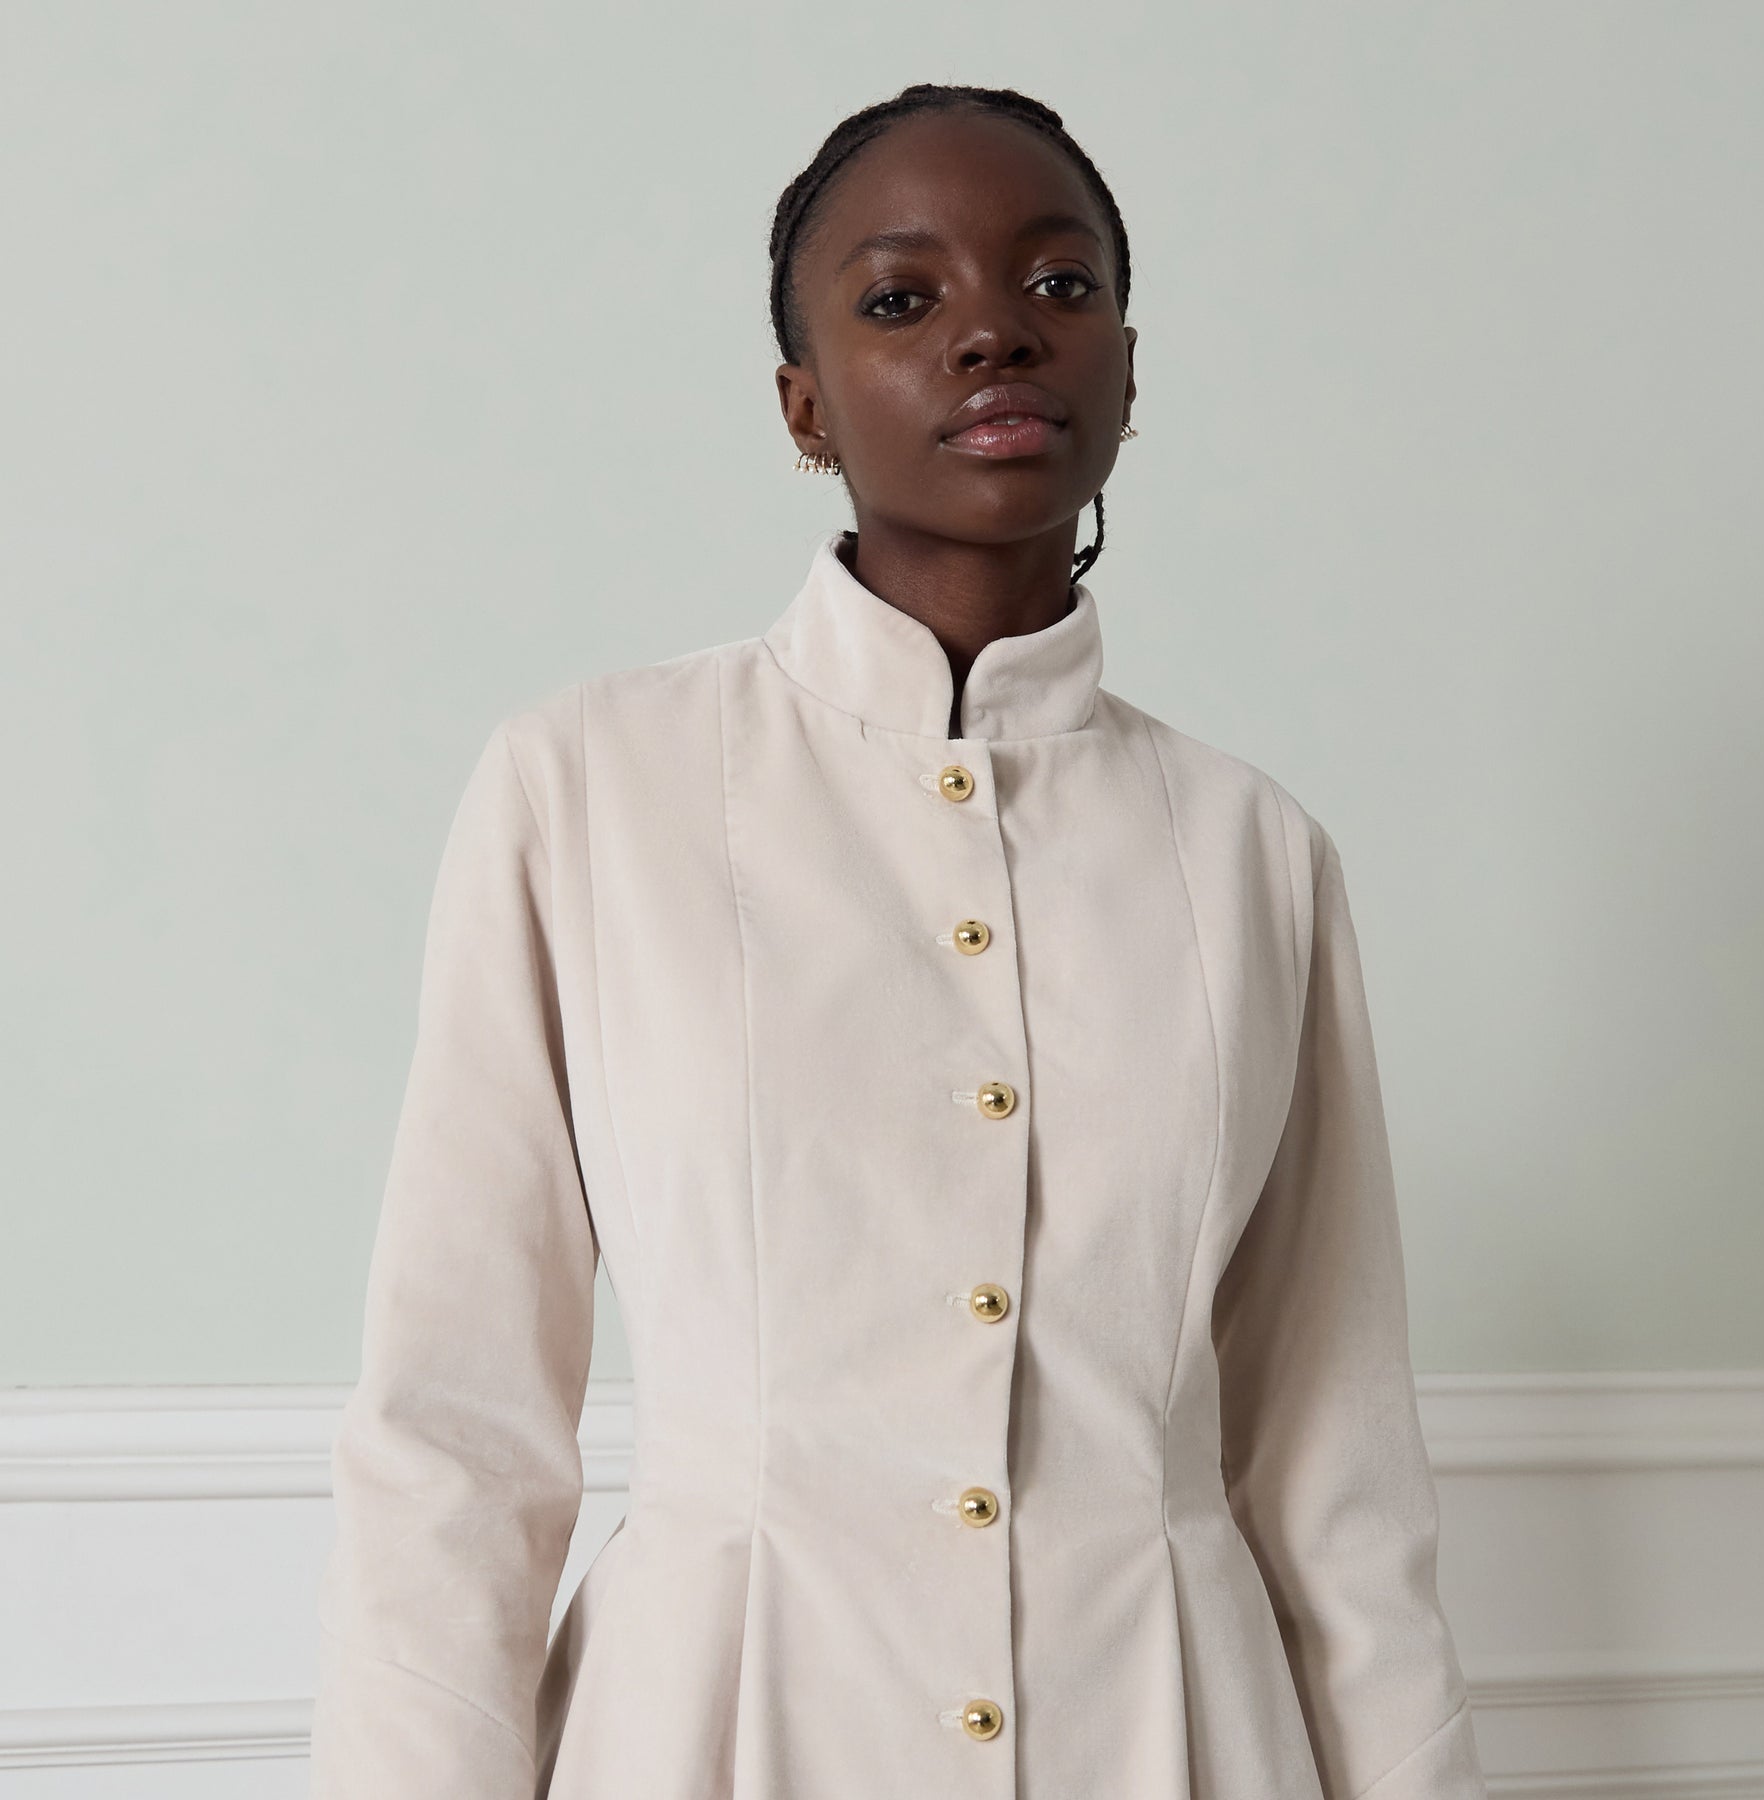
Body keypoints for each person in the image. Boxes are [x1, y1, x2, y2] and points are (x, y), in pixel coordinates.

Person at [306, 81, 1488, 1800]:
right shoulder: (586, 791)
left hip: (1169, 1734)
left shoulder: (1254, 855)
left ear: (1129, 373)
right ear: (804, 403)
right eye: (901, 298)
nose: (994, 332)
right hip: (719, 1730)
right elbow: (454, 1434)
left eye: (1059, 285)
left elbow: (1337, 1475)